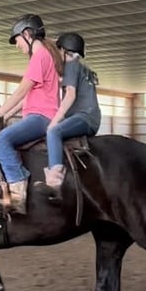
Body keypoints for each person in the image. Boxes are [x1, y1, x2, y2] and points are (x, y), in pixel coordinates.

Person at [0, 13, 63, 214]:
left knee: (1, 140)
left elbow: (21, 90)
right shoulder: (44, 55)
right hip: (41, 115)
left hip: (42, 117)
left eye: (17, 40)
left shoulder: (40, 55)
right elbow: (29, 96)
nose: (17, 45)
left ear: (27, 34)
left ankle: (17, 196)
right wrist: (7, 116)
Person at [37, 32, 101, 197]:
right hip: (90, 117)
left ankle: (55, 183)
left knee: (53, 131)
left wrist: (54, 122)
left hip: (84, 117)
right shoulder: (83, 68)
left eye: (58, 51)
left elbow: (70, 95)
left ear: (64, 51)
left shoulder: (71, 65)